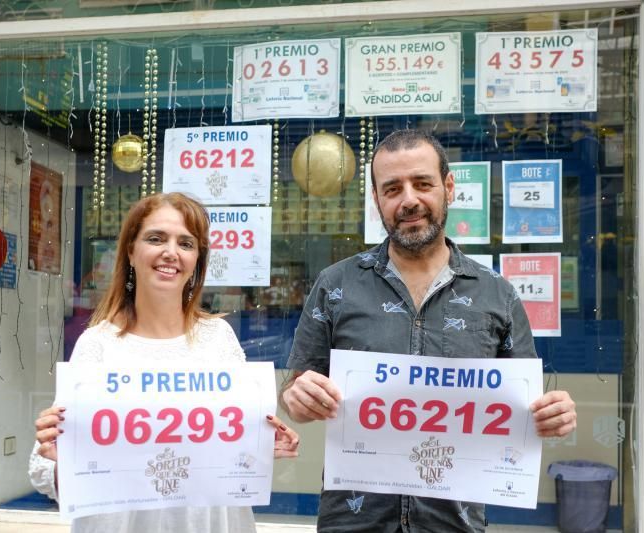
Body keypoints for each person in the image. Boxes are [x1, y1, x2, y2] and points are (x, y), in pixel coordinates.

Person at [280, 129, 577, 533]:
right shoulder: (335, 285)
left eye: (422, 184)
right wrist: (298, 399)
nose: (409, 200)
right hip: (354, 521)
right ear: (377, 199)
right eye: (392, 189)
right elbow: (296, 390)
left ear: (448, 187)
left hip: (454, 523)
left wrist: (551, 416)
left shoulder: (498, 295)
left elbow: (524, 407)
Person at [30, 192, 299, 533]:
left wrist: (261, 444)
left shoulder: (218, 340)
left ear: (197, 259)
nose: (171, 252)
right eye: (156, 238)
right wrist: (59, 454)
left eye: (186, 243)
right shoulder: (98, 346)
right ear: (130, 250)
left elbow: (236, 453)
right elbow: (46, 472)